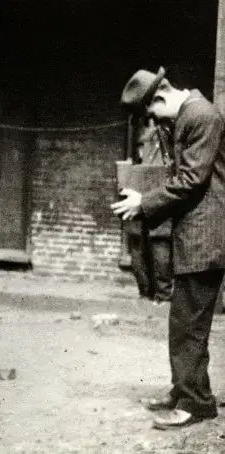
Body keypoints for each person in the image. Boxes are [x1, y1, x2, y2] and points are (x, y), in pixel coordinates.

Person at [112, 66, 225, 429]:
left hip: (206, 236)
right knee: (184, 323)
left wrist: (143, 204)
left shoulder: (201, 115)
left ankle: (195, 403)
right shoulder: (191, 115)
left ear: (160, 98)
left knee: (189, 325)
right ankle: (185, 393)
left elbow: (191, 179)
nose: (153, 121)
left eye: (151, 113)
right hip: (197, 234)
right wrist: (144, 195)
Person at [127, 117, 173, 304]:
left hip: (135, 188)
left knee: (139, 244)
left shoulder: (138, 133)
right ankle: (162, 295)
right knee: (159, 242)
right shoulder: (165, 134)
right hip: (159, 191)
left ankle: (145, 293)